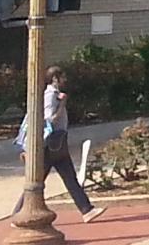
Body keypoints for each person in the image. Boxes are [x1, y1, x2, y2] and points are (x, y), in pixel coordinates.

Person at [16, 66, 105, 223]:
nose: (65, 80)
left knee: (68, 177)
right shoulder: (50, 95)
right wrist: (63, 104)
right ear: (55, 78)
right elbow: (49, 119)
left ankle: (87, 210)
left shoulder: (54, 94)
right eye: (62, 77)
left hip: (58, 143)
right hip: (50, 145)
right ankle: (19, 213)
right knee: (36, 181)